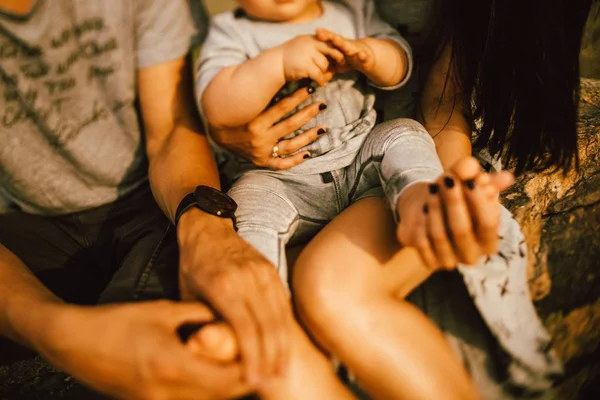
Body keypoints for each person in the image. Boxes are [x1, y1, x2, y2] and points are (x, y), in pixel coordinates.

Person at [204, 0, 593, 398]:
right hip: (284, 173)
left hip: (392, 150)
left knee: (333, 281)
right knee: (252, 208)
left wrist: (445, 185)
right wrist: (236, 115)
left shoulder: (351, 15)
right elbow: (214, 103)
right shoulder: (232, 31)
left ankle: (416, 199)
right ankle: (260, 292)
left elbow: (437, 97)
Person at [0, 1, 359, 399]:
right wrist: (55, 330)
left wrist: (207, 231)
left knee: (212, 340)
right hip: (21, 227)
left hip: (156, 198)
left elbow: (170, 127)